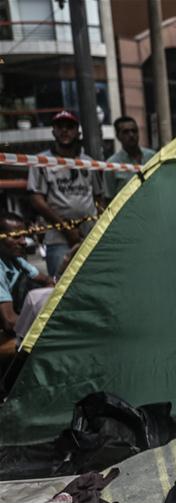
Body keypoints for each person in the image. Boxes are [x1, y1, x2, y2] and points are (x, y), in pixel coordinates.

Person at [27, 111, 104, 278]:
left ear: (78, 131)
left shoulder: (89, 162)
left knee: (93, 281)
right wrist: (67, 229)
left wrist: (98, 228)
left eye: (70, 127)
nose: (64, 131)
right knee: (61, 287)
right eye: (59, 127)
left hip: (89, 237)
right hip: (58, 240)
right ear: (53, 131)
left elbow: (98, 198)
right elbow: (37, 200)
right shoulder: (41, 161)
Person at [0, 213, 53, 354]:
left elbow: (47, 281)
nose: (24, 242)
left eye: (24, 236)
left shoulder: (15, 260)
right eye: (16, 237)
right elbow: (10, 321)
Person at [103, 116, 156, 202]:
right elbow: (109, 199)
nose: (131, 135)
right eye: (125, 132)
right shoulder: (111, 164)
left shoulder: (152, 156)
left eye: (134, 131)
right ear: (118, 136)